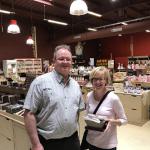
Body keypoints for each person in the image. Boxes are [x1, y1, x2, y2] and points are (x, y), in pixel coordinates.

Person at [23, 44, 85, 150]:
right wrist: (36, 144)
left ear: (71, 62)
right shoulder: (40, 82)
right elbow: (28, 114)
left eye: (68, 59)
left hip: (72, 141)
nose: (65, 62)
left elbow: (77, 113)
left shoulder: (75, 85)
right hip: (48, 143)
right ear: (54, 61)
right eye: (61, 59)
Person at [85, 66, 127, 150]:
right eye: (95, 79)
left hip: (107, 144)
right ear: (91, 80)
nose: (97, 82)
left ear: (106, 81)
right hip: (91, 141)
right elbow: (88, 115)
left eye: (101, 79)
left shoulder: (113, 98)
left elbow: (124, 120)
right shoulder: (89, 96)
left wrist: (110, 121)